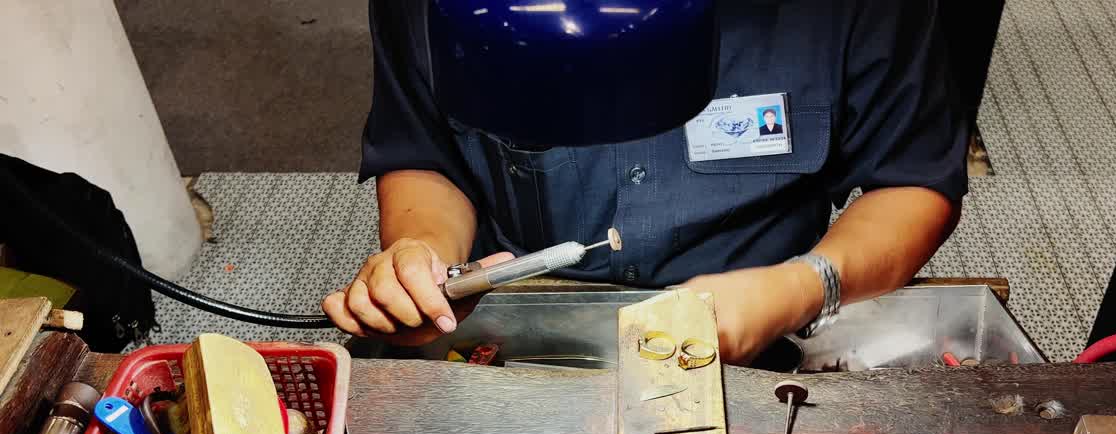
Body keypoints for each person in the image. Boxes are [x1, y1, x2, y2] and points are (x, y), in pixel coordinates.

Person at [325, 1, 968, 365]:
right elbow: (426, 152)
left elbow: (911, 182)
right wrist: (422, 254)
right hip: (513, 321)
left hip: (763, 328)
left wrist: (800, 287)